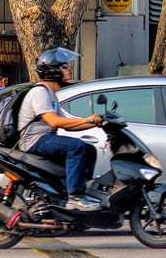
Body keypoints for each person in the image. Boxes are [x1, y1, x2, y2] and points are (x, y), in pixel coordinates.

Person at [16, 48, 103, 211]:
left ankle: (81, 191)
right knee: (76, 147)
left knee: (89, 149)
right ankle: (75, 197)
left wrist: (99, 122)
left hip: (45, 138)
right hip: (34, 140)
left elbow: (69, 122)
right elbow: (54, 122)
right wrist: (88, 119)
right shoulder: (39, 92)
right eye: (64, 67)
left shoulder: (50, 94)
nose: (69, 69)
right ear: (52, 71)